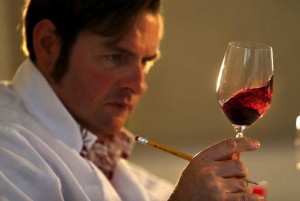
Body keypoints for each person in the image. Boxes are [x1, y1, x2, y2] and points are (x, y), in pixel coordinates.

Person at [0, 0, 264, 200]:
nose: (139, 85)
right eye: (116, 57)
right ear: (48, 44)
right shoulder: (7, 147)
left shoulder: (101, 153)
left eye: (145, 62)